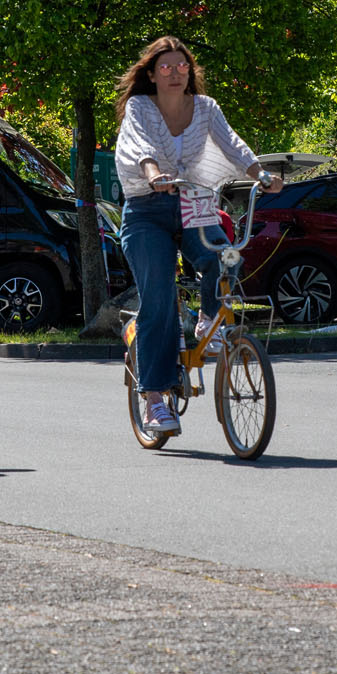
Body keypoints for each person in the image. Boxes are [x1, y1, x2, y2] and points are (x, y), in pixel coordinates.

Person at [113, 36, 281, 436]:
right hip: (147, 208)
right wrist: (153, 175)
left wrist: (260, 174)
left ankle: (208, 320)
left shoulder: (205, 109)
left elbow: (233, 143)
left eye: (182, 67)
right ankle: (154, 398)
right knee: (159, 301)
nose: (175, 74)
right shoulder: (140, 106)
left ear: (191, 72)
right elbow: (138, 143)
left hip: (192, 201)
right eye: (166, 68)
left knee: (223, 257)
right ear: (151, 75)